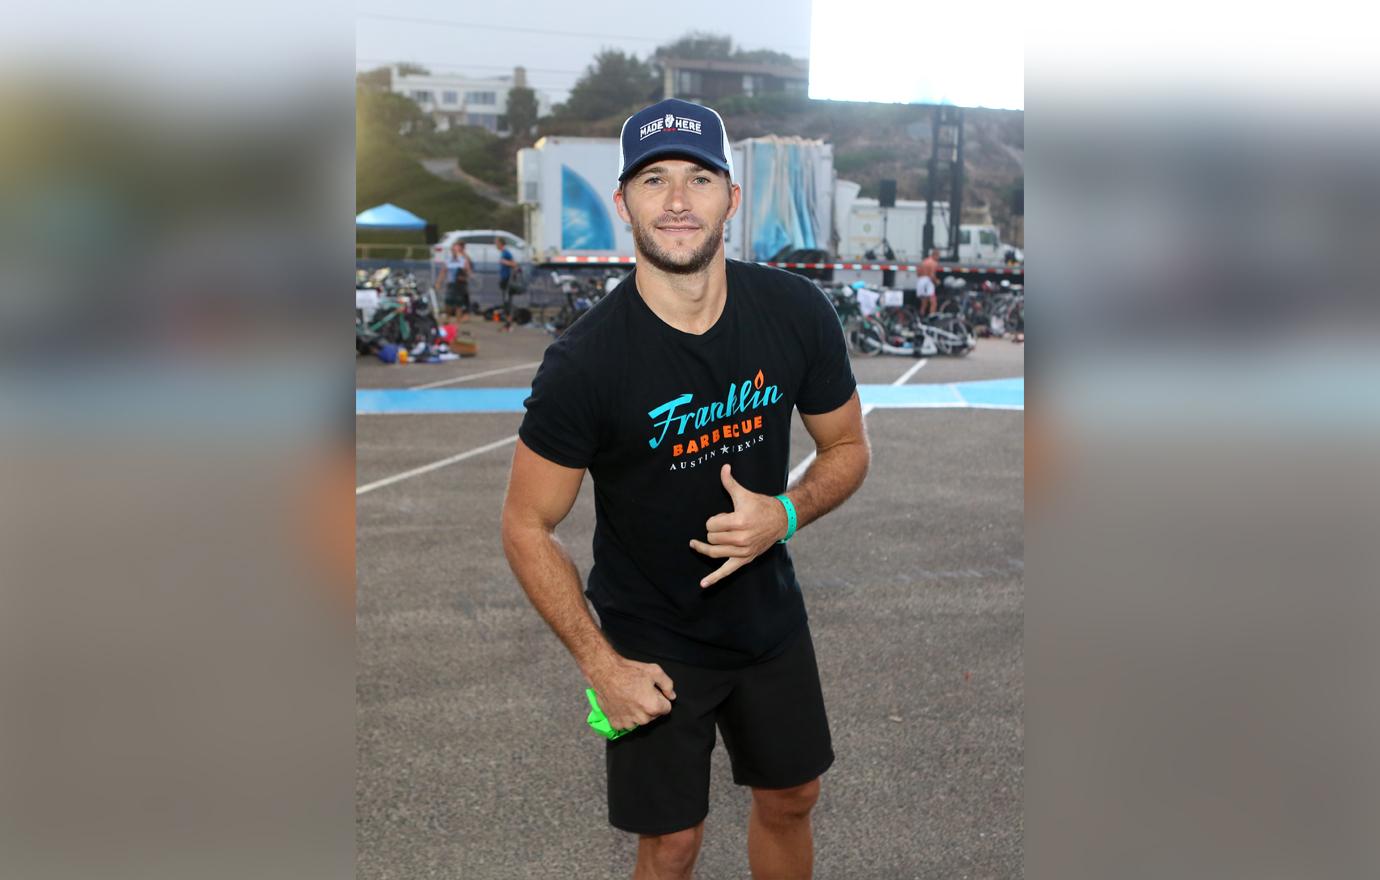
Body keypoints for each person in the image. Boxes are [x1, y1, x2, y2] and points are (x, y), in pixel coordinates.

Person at [501, 98, 870, 880]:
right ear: (623, 202)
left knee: (794, 796)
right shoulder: (585, 364)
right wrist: (602, 665)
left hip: (767, 620)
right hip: (651, 640)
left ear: (731, 200)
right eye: (654, 179)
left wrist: (787, 512)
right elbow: (527, 525)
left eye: (700, 178)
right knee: (671, 843)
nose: (676, 201)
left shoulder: (795, 313)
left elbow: (847, 448)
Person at [443, 241, 473, 320]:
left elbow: (469, 271)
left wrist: (465, 276)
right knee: (448, 302)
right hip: (451, 283)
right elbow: (444, 271)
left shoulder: (463, 258)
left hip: (460, 284)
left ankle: (459, 320)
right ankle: (448, 318)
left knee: (460, 303)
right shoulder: (449, 259)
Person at [495, 236, 518, 330]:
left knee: (507, 300)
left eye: (496, 243)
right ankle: (508, 322)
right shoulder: (503, 253)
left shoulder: (506, 253)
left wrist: (505, 262)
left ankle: (509, 322)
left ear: (501, 243)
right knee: (505, 301)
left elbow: (514, 264)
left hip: (507, 280)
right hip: (504, 279)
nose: (495, 245)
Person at [917, 247, 940, 318]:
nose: (938, 258)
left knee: (924, 304)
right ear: (935, 255)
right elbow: (932, 275)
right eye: (938, 256)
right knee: (933, 302)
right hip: (928, 283)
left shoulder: (924, 262)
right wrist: (937, 281)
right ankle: (931, 318)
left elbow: (918, 273)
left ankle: (921, 318)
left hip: (920, 281)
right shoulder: (934, 263)